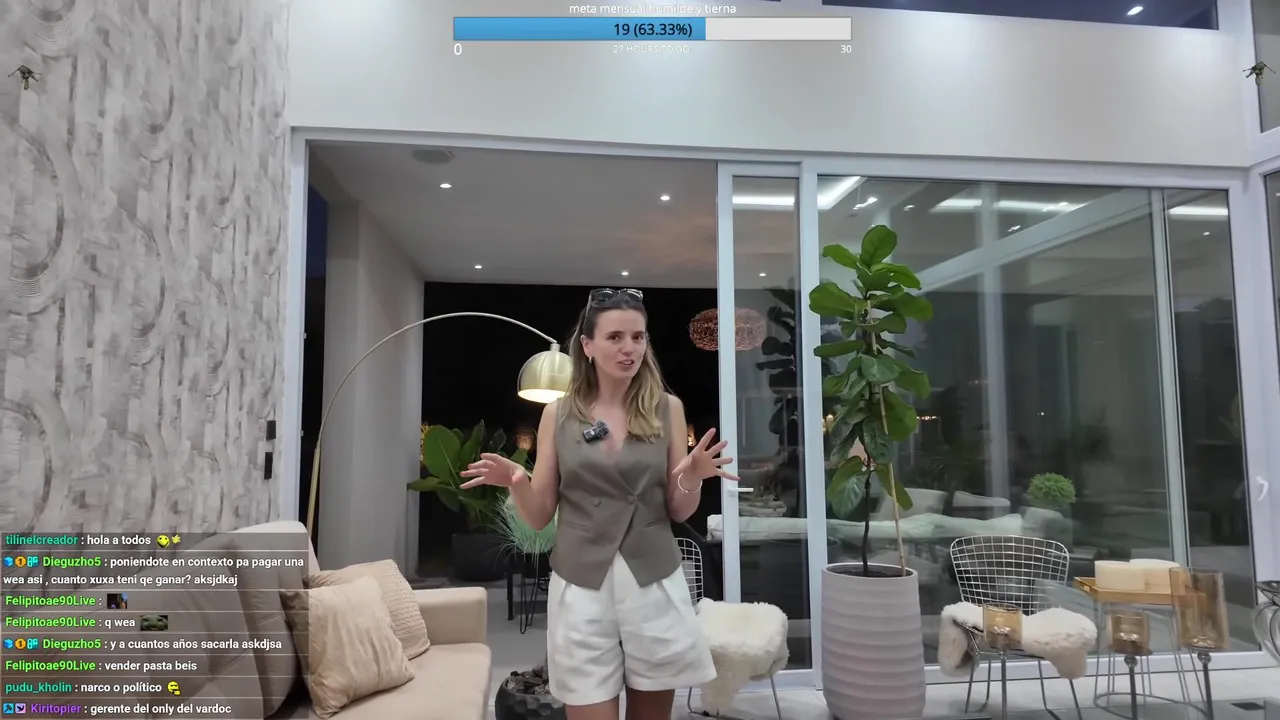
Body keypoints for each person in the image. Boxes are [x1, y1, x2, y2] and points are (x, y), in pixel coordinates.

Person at [460, 288, 737, 720]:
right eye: (615, 337)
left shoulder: (667, 409)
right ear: (587, 346)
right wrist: (517, 481)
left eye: (638, 337)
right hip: (581, 583)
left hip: (653, 580)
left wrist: (692, 475)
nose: (629, 348)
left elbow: (679, 510)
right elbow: (539, 516)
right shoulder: (559, 415)